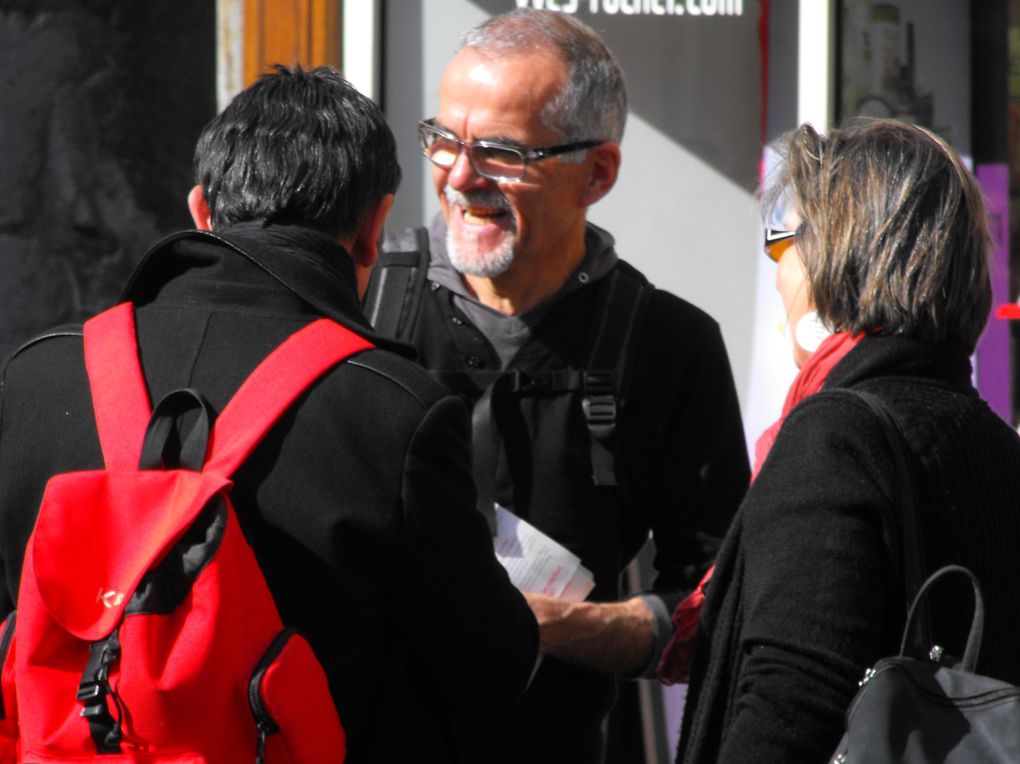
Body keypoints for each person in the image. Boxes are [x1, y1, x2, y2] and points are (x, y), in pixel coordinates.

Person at [0, 65, 537, 764]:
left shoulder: (36, 375)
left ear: (200, 209)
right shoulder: (395, 411)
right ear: (374, 226)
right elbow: (490, 679)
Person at [363, 10, 750, 762]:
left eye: (501, 152)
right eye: (443, 141)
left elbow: (715, 605)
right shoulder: (363, 306)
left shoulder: (670, 346)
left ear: (597, 174)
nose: (460, 176)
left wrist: (535, 623)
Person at [676, 119, 1020, 763]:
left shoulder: (835, 438)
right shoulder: (998, 446)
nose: (779, 273)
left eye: (783, 246)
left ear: (835, 258)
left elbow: (790, 706)